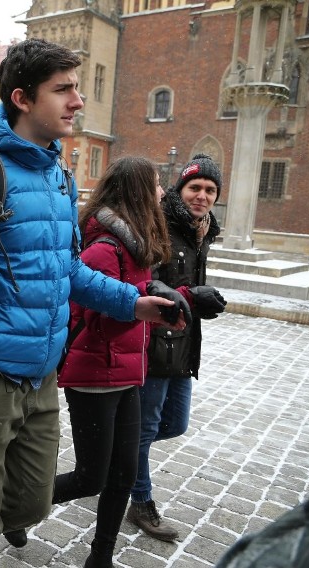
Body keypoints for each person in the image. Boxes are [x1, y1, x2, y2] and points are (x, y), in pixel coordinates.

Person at [0, 38, 189, 568]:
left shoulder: (58, 177)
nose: (77, 101)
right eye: (63, 90)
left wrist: (135, 303)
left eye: (77, 88)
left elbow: (68, 270)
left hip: (40, 375)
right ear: (22, 98)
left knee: (31, 502)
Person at [51, 157, 171, 568]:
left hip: (127, 375)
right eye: (156, 185)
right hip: (94, 377)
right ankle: (10, 509)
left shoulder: (139, 248)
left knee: (123, 474)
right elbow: (93, 322)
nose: (162, 193)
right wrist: (145, 306)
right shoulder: (106, 248)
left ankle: (99, 557)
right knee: (90, 477)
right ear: (139, 192)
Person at [127, 153, 227, 541]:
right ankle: (140, 500)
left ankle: (119, 462)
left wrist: (200, 301)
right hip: (155, 343)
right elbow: (148, 282)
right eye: (195, 188)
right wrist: (188, 296)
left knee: (174, 424)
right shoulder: (160, 225)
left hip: (183, 343)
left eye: (210, 190)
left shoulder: (203, 230)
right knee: (147, 427)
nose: (202, 196)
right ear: (180, 189)